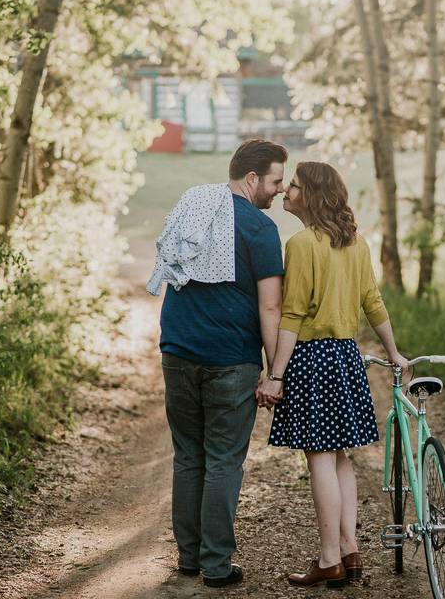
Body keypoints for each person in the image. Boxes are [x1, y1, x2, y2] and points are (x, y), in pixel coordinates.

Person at [257, 161, 409, 588]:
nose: (287, 191)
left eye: (295, 186)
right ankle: (349, 551)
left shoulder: (302, 244)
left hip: (311, 357)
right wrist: (394, 353)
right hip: (346, 356)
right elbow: (372, 302)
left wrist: (276, 374)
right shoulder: (355, 243)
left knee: (320, 458)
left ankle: (329, 559)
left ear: (313, 195)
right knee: (341, 455)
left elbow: (291, 314)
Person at [149, 139, 287, 588]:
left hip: (178, 351)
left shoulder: (193, 206)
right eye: (275, 181)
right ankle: (215, 566)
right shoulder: (259, 228)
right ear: (252, 179)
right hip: (230, 360)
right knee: (224, 461)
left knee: (189, 456)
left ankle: (189, 559)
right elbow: (270, 308)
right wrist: (273, 370)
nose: (279, 191)